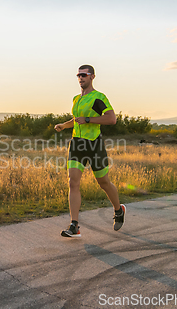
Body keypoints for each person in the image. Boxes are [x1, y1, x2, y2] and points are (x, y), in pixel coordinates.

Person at [54, 64, 125, 238]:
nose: (80, 78)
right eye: (78, 75)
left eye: (84, 75)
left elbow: (111, 118)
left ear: (92, 77)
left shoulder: (98, 98)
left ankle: (118, 210)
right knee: (73, 182)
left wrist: (88, 119)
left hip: (94, 145)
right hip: (77, 144)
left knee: (104, 182)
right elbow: (77, 120)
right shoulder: (76, 99)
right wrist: (64, 125)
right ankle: (74, 225)